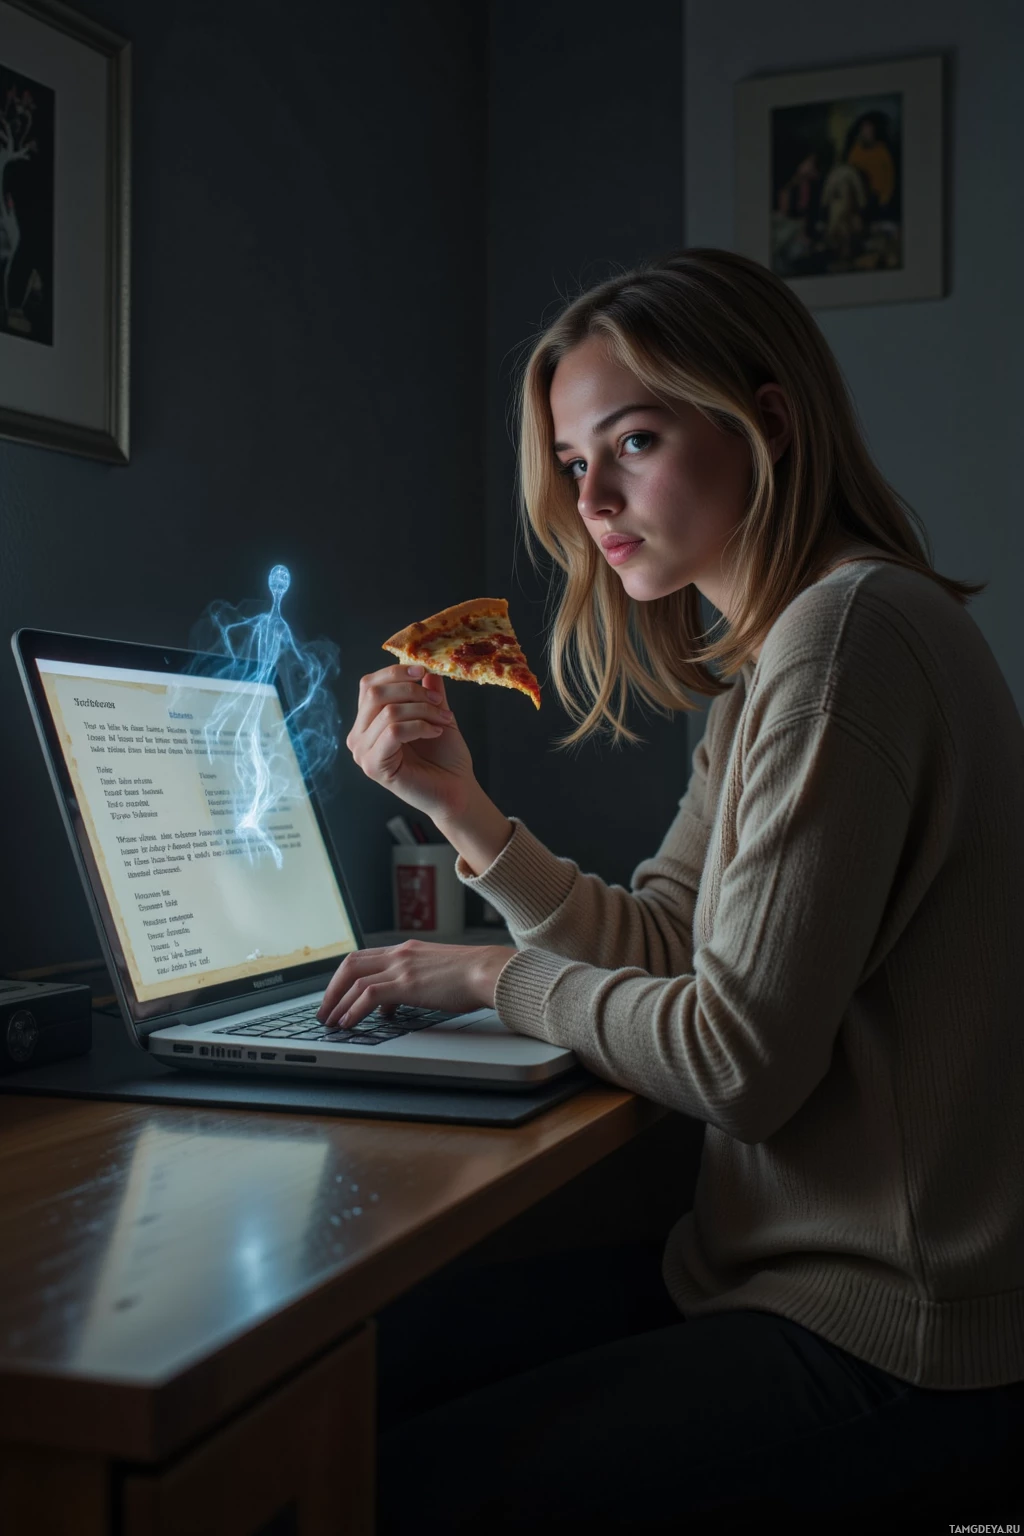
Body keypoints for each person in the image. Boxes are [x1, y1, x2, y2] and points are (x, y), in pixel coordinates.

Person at [320, 248, 1024, 1532]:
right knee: (354, 1386)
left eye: (631, 441)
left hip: (894, 1336)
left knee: (379, 1483)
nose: (593, 497)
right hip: (765, 1277)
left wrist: (490, 975)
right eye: (574, 464)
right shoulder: (773, 660)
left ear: (766, 423)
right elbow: (663, 942)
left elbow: (739, 1061)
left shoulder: (847, 639)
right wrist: (457, 810)